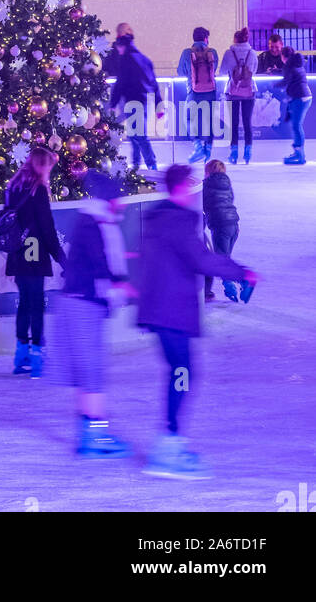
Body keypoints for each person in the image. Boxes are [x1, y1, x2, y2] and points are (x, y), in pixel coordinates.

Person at [138, 164, 258, 478]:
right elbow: (202, 259)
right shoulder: (177, 222)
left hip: (161, 310)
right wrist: (241, 271)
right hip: (171, 312)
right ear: (181, 188)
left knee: (181, 372)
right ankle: (168, 444)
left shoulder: (157, 218)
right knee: (182, 372)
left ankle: (170, 440)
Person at [51, 170, 134, 457]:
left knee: (88, 370)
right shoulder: (95, 223)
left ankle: (89, 432)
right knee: (92, 370)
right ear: (110, 199)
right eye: (120, 198)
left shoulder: (98, 221)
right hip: (82, 304)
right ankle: (95, 435)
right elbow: (100, 265)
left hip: (82, 303)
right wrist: (121, 288)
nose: (123, 203)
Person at [4, 146, 66, 376]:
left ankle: (21, 355)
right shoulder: (38, 190)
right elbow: (47, 227)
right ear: (42, 165)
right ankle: (38, 355)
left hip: (18, 253)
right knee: (37, 304)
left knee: (24, 303)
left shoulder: (13, 187)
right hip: (35, 252)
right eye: (49, 165)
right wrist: (62, 258)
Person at [109, 31, 161, 171]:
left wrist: (113, 103)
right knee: (134, 134)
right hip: (144, 101)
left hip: (132, 101)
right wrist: (158, 105)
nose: (118, 51)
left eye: (118, 47)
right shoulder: (144, 59)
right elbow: (154, 84)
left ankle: (150, 164)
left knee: (139, 135)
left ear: (122, 46)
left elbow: (121, 83)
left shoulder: (127, 60)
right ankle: (137, 164)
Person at [202, 159, 245, 303]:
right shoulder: (227, 184)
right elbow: (230, 200)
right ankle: (234, 282)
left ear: (208, 172)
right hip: (234, 225)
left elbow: (200, 203)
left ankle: (238, 282)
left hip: (220, 226)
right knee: (225, 258)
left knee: (221, 259)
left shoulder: (205, 185)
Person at [176, 26, 220, 163]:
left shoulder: (186, 53)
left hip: (193, 92)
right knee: (210, 120)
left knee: (188, 119)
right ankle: (208, 149)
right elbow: (214, 69)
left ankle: (197, 147)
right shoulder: (212, 52)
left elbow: (180, 72)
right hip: (211, 92)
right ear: (206, 38)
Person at [219, 27, 259, 164]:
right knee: (248, 123)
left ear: (234, 40)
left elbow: (223, 71)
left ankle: (234, 153)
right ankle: (248, 153)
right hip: (249, 91)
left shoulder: (229, 53)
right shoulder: (252, 53)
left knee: (233, 124)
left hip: (233, 91)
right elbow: (254, 70)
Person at [279, 45, 312, 165]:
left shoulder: (290, 66)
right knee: (296, 125)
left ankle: (300, 155)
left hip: (300, 98)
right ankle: (298, 152)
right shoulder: (296, 63)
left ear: (283, 56)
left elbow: (285, 81)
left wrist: (274, 84)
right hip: (304, 97)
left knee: (296, 125)